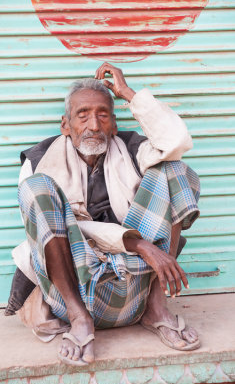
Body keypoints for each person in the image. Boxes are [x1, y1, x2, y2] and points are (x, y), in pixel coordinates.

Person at [11, 62, 200, 366]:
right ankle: (80, 320)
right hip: (74, 292)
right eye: (82, 115)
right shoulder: (38, 164)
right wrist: (139, 244)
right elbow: (57, 232)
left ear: (113, 123)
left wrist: (128, 93)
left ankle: (156, 306)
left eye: (102, 115)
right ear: (65, 125)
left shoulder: (130, 148)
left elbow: (176, 142)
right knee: (37, 189)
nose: (94, 125)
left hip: (132, 289)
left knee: (173, 169)